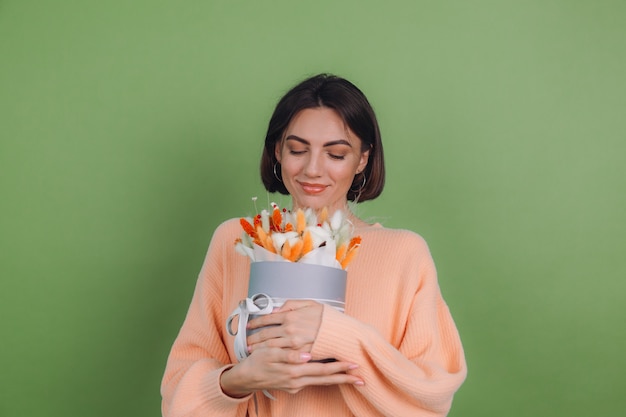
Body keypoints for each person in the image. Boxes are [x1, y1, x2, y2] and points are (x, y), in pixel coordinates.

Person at [161, 74, 467, 416]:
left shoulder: (404, 254)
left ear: (362, 159)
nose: (312, 169)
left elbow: (430, 397)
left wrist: (333, 333)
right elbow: (177, 396)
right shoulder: (236, 241)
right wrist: (237, 380)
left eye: (336, 154)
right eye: (297, 149)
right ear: (278, 151)